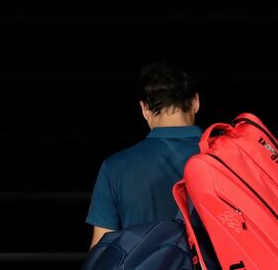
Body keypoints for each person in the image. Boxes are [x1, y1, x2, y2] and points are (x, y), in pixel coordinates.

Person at [86, 60, 202, 249]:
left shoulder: (115, 167)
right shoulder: (228, 159)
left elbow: (102, 255)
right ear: (196, 102)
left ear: (144, 108)